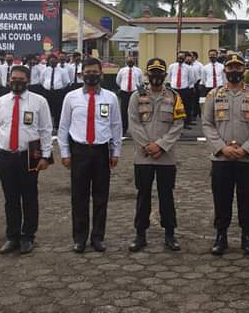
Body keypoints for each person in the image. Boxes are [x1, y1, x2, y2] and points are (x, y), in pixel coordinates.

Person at [202, 53, 249, 256]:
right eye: (230, 67)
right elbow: (207, 123)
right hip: (221, 158)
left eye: (237, 67)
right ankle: (221, 236)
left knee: (247, 198)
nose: (234, 71)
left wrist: (246, 149)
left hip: (247, 159)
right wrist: (222, 148)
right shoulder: (214, 94)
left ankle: (247, 236)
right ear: (225, 70)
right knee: (221, 198)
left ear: (244, 70)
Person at [58, 57, 122, 253]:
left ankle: (98, 237)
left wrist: (115, 151)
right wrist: (65, 153)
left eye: (95, 72)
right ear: (81, 74)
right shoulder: (71, 97)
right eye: (88, 72)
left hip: (102, 152)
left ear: (101, 74)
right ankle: (79, 238)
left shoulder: (110, 97)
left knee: (101, 197)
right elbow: (63, 127)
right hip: (80, 151)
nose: (91, 75)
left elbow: (116, 126)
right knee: (79, 197)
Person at [0, 65, 53, 255]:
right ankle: (12, 236)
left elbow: (46, 130)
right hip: (6, 156)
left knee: (30, 198)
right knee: (10, 199)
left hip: (29, 157)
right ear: (9, 80)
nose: (17, 82)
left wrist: (46, 156)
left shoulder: (39, 101)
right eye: (13, 78)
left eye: (21, 79)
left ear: (28, 80)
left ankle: (28, 236)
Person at [126, 58, 186, 252]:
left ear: (165, 75)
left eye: (160, 73)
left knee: (166, 196)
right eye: (153, 73)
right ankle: (140, 234)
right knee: (143, 195)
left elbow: (178, 125)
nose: (156, 77)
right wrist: (147, 145)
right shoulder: (136, 96)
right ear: (147, 75)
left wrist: (160, 146)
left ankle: (170, 234)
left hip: (166, 157)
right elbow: (133, 124)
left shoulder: (174, 97)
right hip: (143, 157)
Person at [116, 56, 144, 136]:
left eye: (132, 60)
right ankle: (124, 130)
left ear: (134, 61)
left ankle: (135, 131)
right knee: (123, 111)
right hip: (124, 93)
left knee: (135, 112)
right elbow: (118, 81)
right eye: (129, 60)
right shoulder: (122, 70)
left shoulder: (138, 71)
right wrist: (123, 87)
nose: (130, 62)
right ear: (126, 61)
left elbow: (141, 82)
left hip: (134, 93)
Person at [167, 52, 195, 129]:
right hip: (174, 89)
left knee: (184, 107)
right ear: (177, 57)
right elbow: (169, 77)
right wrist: (170, 85)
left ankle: (184, 123)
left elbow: (191, 79)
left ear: (184, 58)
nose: (180, 58)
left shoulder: (188, 68)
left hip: (184, 90)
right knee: (172, 106)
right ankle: (172, 123)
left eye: (182, 57)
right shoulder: (172, 66)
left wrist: (186, 86)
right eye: (179, 57)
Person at [41, 54, 70, 128]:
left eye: (54, 61)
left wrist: (58, 87)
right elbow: (41, 81)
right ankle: (48, 125)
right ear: (49, 62)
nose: (53, 62)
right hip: (47, 92)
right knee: (47, 109)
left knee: (58, 110)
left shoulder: (62, 71)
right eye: (51, 61)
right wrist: (47, 86)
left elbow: (66, 82)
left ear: (57, 61)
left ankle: (57, 126)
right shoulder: (45, 70)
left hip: (58, 93)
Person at [191, 51, 204, 120]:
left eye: (192, 56)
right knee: (191, 100)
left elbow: (202, 75)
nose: (191, 57)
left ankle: (198, 114)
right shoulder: (188, 64)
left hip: (197, 83)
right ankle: (192, 114)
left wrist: (200, 84)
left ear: (195, 57)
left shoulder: (199, 65)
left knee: (197, 99)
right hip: (190, 84)